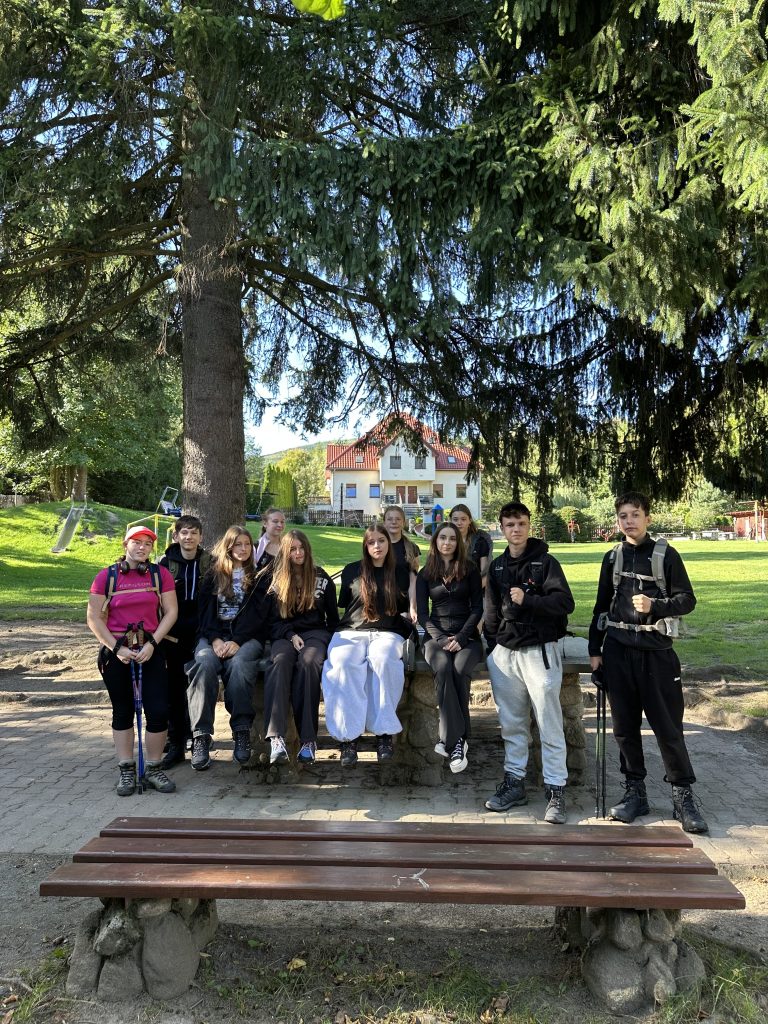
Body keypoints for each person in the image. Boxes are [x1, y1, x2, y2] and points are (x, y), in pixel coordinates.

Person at [588, 491, 707, 833]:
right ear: (617, 521)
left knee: (667, 728)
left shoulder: (666, 555)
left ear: (647, 518)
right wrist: (595, 651)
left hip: (656, 654)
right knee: (624, 729)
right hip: (617, 652)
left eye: (635, 514)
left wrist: (655, 606)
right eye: (623, 516)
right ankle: (634, 793)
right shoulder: (612, 557)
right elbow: (601, 608)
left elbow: (687, 600)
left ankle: (683, 797)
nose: (629, 521)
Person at [483, 502, 574, 824]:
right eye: (510, 525)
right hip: (506, 653)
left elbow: (565, 603)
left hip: (539, 650)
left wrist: (529, 600)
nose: (516, 530)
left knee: (549, 721)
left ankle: (556, 789)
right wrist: (494, 645)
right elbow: (491, 610)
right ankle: (514, 782)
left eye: (521, 523)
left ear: (529, 525)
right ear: (502, 528)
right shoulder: (497, 567)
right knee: (512, 723)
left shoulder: (546, 563)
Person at [86, 525, 179, 796]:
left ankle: (153, 768)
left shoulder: (160, 575)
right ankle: (126, 769)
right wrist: (116, 648)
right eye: (136, 542)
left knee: (158, 710)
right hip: (117, 652)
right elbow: (93, 618)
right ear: (125, 544)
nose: (142, 547)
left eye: (147, 544)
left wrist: (153, 644)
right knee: (123, 710)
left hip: (150, 649)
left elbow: (171, 612)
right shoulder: (106, 577)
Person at [321, 523, 411, 766]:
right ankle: (348, 738)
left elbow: (406, 609)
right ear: (365, 546)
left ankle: (384, 733)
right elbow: (344, 605)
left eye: (381, 540)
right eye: (371, 542)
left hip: (388, 632)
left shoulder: (400, 572)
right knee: (342, 664)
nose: (377, 546)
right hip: (352, 631)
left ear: (388, 543)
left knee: (384, 660)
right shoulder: (352, 570)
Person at [186, 526, 267, 771]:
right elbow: (204, 614)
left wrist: (237, 641)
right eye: (238, 544)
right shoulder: (214, 575)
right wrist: (215, 640)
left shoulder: (258, 577)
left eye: (247, 544)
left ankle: (241, 730)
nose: (243, 549)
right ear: (229, 547)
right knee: (204, 663)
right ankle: (201, 735)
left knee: (239, 665)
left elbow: (258, 617)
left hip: (246, 638)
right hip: (214, 636)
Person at [263, 529, 339, 765]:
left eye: (301, 548)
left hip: (316, 634)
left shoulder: (321, 578)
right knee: (279, 662)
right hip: (284, 634)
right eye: (293, 549)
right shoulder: (275, 580)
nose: (298, 553)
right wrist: (290, 635)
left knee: (308, 663)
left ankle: (308, 740)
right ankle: (276, 737)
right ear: (285, 552)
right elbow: (271, 622)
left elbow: (333, 620)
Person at [416, 523, 483, 773]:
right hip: (436, 637)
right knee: (443, 667)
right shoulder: (425, 573)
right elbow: (423, 614)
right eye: (442, 538)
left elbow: (478, 608)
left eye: (452, 538)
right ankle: (459, 741)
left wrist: (462, 637)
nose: (447, 542)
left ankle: (448, 740)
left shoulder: (470, 569)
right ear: (435, 541)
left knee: (459, 669)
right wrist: (442, 639)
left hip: (467, 637)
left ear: (458, 543)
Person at [158, 514, 211, 768]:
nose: (189, 537)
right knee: (173, 688)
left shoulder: (210, 563)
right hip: (172, 634)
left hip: (201, 632)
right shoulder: (165, 563)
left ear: (201, 537)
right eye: (184, 532)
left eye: (194, 533)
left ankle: (198, 736)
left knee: (198, 686)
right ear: (176, 536)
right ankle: (176, 741)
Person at [383, 505, 420, 621]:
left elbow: (413, 581)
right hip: (381, 603)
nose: (394, 522)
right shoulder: (377, 546)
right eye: (390, 519)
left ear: (403, 522)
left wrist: (412, 608)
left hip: (403, 605)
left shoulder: (412, 548)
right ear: (384, 523)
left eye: (398, 519)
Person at [450, 503, 493, 585]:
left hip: (475, 585)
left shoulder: (480, 541)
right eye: (455, 519)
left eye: (463, 519)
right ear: (451, 521)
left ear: (469, 520)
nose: (459, 523)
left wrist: (472, 589)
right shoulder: (446, 542)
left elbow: (485, 572)